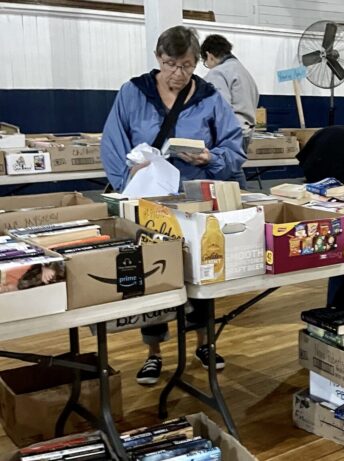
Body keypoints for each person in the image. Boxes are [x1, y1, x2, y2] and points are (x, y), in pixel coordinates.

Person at [101, 25, 247, 385]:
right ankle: (153, 353)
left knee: (203, 272)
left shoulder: (211, 98)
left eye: (186, 65)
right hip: (149, 203)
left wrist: (211, 158)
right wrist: (129, 175)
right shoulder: (133, 93)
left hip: (196, 202)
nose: (177, 74)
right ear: (157, 59)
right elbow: (111, 144)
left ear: (197, 62)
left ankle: (204, 343)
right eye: (169, 64)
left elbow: (234, 150)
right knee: (153, 277)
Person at [201, 34, 259, 151]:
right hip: (245, 134)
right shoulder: (244, 72)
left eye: (205, 62)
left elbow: (219, 110)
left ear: (209, 55)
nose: (208, 66)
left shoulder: (217, 73)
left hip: (228, 136)